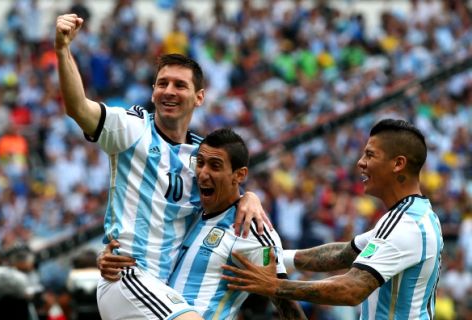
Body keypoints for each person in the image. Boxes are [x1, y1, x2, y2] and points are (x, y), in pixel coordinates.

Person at [55, 13, 270, 320]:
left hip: (169, 287)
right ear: (153, 91)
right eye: (162, 83)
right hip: (129, 276)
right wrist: (63, 50)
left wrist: (250, 197)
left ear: (199, 97)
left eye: (180, 85)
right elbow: (78, 106)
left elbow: (228, 195)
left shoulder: (203, 156)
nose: (169, 91)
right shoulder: (131, 129)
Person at [223, 118, 444, 320]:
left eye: (370, 155)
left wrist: (273, 286)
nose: (360, 162)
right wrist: (275, 256)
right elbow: (342, 254)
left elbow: (351, 290)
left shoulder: (406, 225)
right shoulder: (414, 215)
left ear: (398, 164)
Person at [101, 128, 306, 319]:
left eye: (215, 166)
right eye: (200, 163)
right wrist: (108, 255)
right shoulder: (191, 213)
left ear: (240, 174)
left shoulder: (251, 229)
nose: (203, 173)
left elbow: (284, 300)